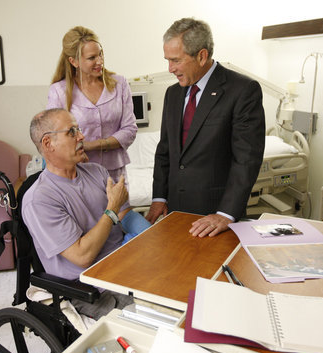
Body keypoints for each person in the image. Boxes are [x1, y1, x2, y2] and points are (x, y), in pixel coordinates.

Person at [22, 108, 148, 320]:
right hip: (93, 289)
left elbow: (125, 213)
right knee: (165, 318)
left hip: (127, 266)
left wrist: (154, 238)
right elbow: (82, 256)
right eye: (71, 132)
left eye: (78, 130)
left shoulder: (96, 172)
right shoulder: (39, 199)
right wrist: (111, 211)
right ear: (47, 144)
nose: (81, 136)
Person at [146, 18, 266, 237]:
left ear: (201, 56)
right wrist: (159, 198)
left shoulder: (242, 91)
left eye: (176, 60)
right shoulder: (173, 94)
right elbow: (165, 150)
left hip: (216, 217)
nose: (170, 68)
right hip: (175, 211)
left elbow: (246, 159)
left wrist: (226, 213)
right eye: (168, 60)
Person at [47, 26, 137, 182]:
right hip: (78, 172)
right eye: (92, 58)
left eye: (100, 54)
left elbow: (130, 129)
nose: (99, 61)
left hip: (115, 172)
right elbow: (55, 137)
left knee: (117, 206)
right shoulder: (59, 92)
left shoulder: (119, 84)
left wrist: (92, 145)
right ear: (73, 61)